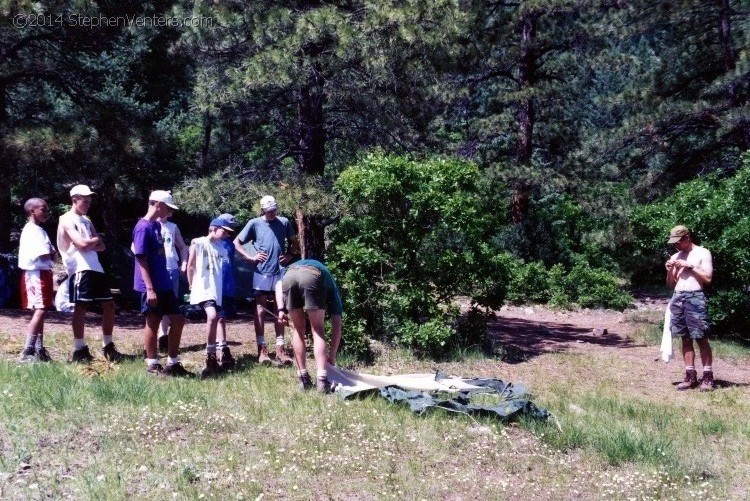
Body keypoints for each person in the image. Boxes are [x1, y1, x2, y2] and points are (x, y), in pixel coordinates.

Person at [56, 184, 123, 363]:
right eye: (84, 200)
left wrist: (91, 241)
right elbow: (84, 244)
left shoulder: (87, 220)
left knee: (109, 306)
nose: (87, 204)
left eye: (89, 201)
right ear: (74, 200)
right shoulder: (66, 219)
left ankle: (108, 346)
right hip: (79, 268)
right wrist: (93, 240)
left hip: (95, 267)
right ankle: (79, 349)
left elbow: (102, 246)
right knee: (81, 307)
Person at [133, 190, 192, 377]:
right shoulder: (142, 227)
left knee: (178, 319)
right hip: (151, 284)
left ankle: (173, 364)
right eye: (168, 207)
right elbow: (141, 258)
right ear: (158, 204)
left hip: (164, 281)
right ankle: (152, 364)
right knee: (153, 321)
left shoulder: (157, 227)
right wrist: (150, 288)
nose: (170, 211)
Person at [234, 195, 296, 366]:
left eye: (274, 210)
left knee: (280, 309)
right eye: (269, 211)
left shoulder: (284, 222)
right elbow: (237, 243)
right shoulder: (254, 223)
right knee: (260, 309)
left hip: (279, 272)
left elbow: (293, 241)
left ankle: (280, 348)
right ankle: (261, 349)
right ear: (262, 210)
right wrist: (250, 257)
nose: (272, 213)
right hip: (261, 272)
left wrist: (290, 254)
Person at [278, 259, 342, 393]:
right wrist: (332, 356)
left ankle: (303, 378)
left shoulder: (292, 266)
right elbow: (337, 324)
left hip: (289, 276)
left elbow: (279, 284)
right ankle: (322, 381)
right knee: (318, 329)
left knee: (298, 329)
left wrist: (280, 310)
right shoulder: (333, 289)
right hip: (311, 275)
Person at [665, 225, 715, 391]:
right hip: (678, 297)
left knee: (701, 337)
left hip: (695, 297)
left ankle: (707, 377)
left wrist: (690, 266)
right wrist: (669, 270)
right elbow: (671, 285)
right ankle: (690, 376)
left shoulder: (702, 252)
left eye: (678, 242)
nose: (676, 246)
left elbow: (708, 278)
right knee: (685, 338)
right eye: (674, 243)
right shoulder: (675, 255)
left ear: (687, 237)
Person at [187, 217, 233, 378]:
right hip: (203, 288)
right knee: (212, 316)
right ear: (213, 228)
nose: (226, 235)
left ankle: (213, 356)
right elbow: (191, 265)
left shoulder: (222, 249)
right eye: (224, 231)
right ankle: (209, 355)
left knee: (216, 318)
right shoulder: (198, 243)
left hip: (216, 290)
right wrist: (192, 285)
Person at [17, 198, 55, 362]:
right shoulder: (32, 230)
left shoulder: (40, 230)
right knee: (39, 310)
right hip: (36, 273)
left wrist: (51, 252)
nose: (47, 213)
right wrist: (51, 252)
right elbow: (45, 252)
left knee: (42, 310)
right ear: (32, 210)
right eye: (43, 209)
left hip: (43, 272)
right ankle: (28, 351)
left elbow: (51, 251)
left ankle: (39, 349)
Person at [156, 203, 189, 353]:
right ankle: (155, 339)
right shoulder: (149, 225)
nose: (170, 212)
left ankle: (164, 337)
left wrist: (183, 263)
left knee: (170, 304)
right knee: (155, 306)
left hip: (172, 268)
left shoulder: (173, 227)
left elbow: (182, 247)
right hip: (157, 270)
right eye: (169, 209)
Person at [216, 213, 238, 371]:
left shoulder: (230, 244)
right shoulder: (211, 242)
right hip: (216, 284)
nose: (230, 232)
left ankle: (222, 346)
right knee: (219, 317)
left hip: (228, 284)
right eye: (227, 228)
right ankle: (221, 347)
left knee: (224, 317)